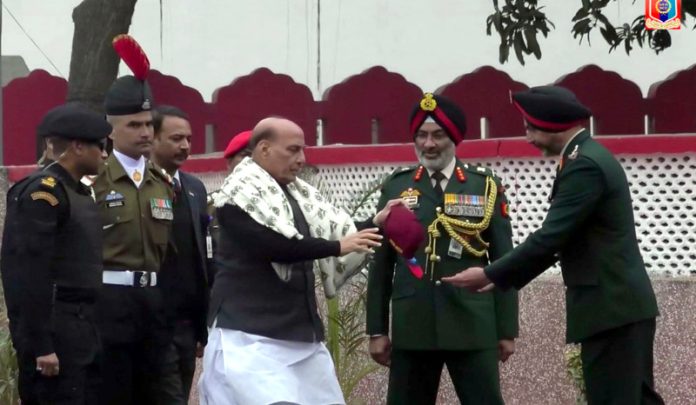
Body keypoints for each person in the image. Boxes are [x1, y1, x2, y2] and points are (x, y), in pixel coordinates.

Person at [443, 85, 663, 405]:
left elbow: (550, 237)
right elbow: (561, 240)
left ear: (552, 124)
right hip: (619, 307)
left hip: (612, 307)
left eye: (531, 128)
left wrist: (491, 274)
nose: (528, 138)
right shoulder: (583, 157)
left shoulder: (584, 165)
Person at [198, 117, 385, 405]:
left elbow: (331, 230)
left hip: (299, 333)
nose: (302, 160)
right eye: (293, 150)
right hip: (249, 337)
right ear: (264, 149)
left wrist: (375, 222)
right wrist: (336, 247)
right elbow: (275, 246)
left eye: (303, 150)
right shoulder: (238, 196)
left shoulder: (296, 193)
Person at [366, 93, 519, 405]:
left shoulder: (483, 185)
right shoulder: (397, 186)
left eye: (437, 135)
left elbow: (504, 261)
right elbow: (382, 265)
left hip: (472, 325)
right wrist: (377, 330)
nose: (429, 144)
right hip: (413, 326)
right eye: (421, 135)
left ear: (454, 138)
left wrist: (507, 329)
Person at [1, 103, 111, 404]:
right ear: (77, 146)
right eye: (100, 146)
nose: (104, 154)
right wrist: (40, 344)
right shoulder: (43, 193)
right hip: (55, 328)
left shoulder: (76, 192)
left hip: (82, 327)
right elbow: (28, 274)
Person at [91, 34, 175, 405]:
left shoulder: (162, 183)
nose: (144, 133)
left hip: (154, 301)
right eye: (134, 125)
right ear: (110, 129)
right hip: (108, 303)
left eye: (148, 125)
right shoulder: (95, 181)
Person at [150, 105, 209, 403]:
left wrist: (202, 325)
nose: (185, 146)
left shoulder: (195, 189)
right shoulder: (137, 187)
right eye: (175, 138)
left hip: (187, 325)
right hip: (149, 320)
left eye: (188, 138)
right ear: (153, 138)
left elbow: (202, 254)